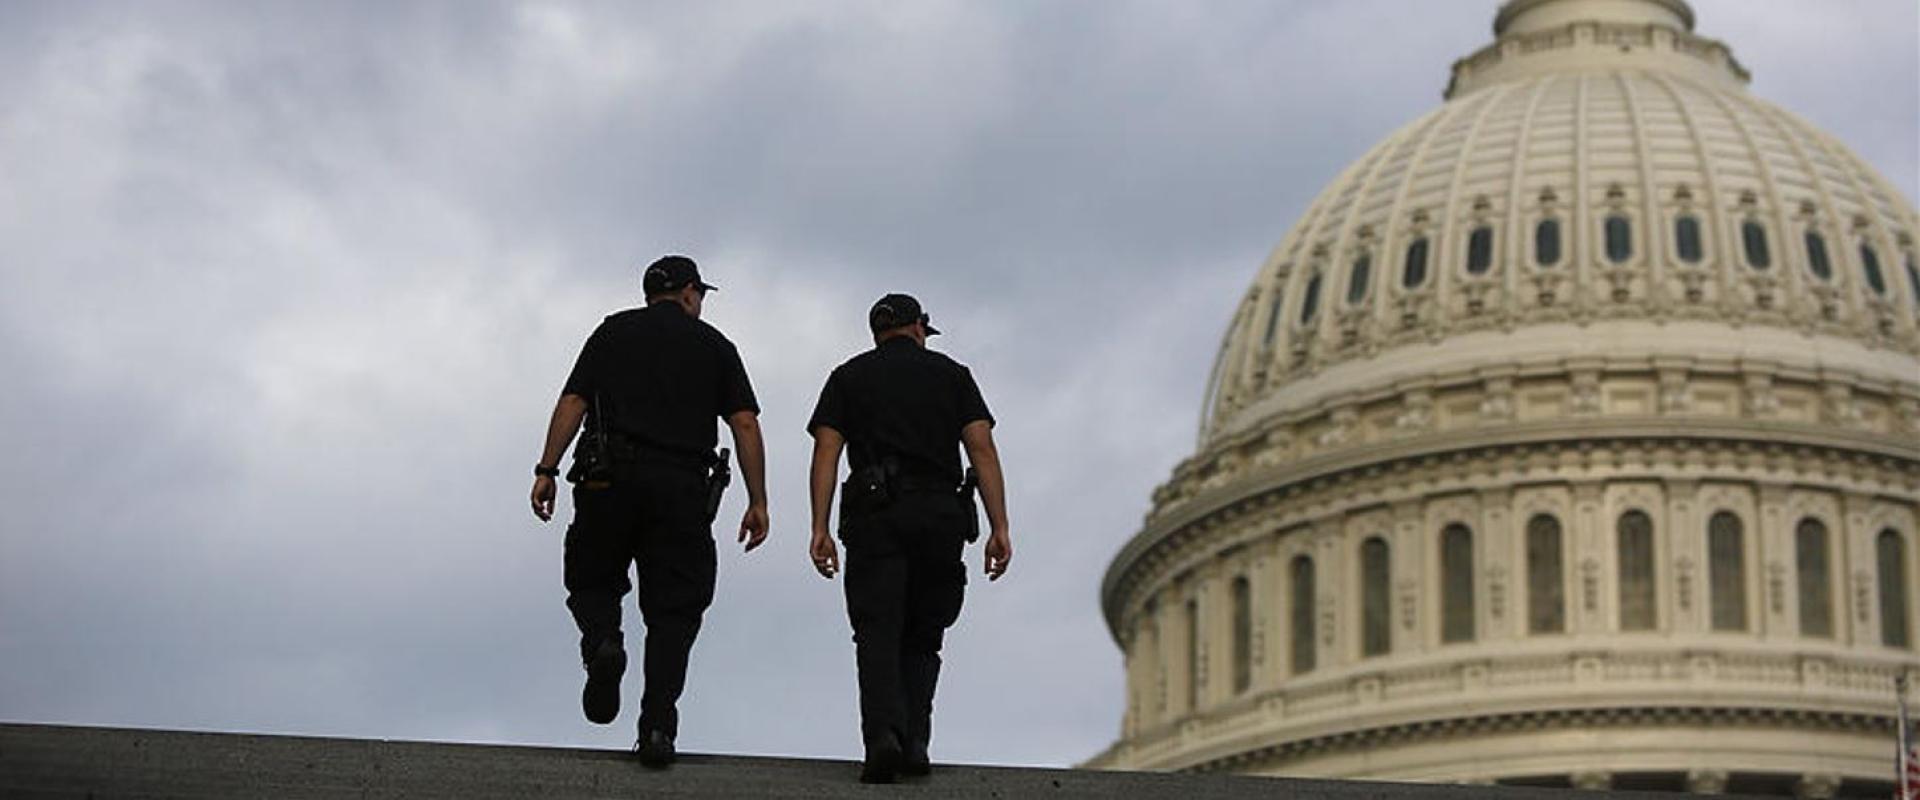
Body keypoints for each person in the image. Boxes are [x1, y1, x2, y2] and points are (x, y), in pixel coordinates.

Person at [529, 255, 769, 768]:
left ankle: (602, 644)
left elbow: (572, 402)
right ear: (686, 293)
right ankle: (658, 725)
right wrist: (757, 499)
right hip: (681, 490)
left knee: (593, 580)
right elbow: (744, 424)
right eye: (699, 293)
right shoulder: (715, 347)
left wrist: (546, 468)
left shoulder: (612, 333)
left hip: (608, 479)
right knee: (674, 612)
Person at [805, 292, 1012, 784]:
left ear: (877, 332)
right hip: (939, 514)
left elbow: (826, 454)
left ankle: (882, 737)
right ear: (919, 327)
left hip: (875, 515)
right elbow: (981, 448)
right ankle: (917, 740)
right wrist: (1000, 525)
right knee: (924, 633)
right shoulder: (953, 375)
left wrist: (819, 526)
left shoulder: (847, 378)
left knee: (877, 631)